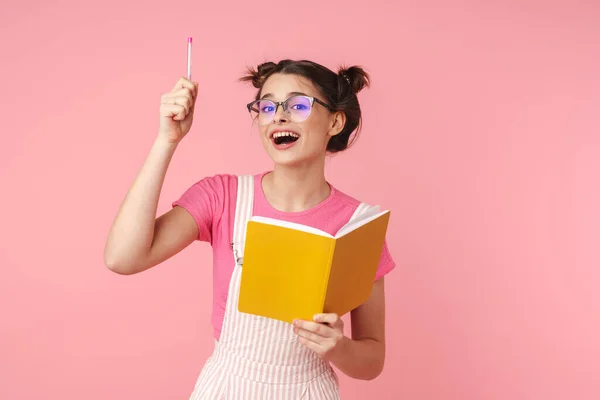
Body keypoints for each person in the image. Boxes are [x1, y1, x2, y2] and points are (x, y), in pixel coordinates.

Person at [104, 59, 396, 399]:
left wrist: (338, 347)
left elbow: (372, 360)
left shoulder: (358, 224)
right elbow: (122, 258)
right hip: (227, 387)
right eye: (267, 106)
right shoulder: (222, 196)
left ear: (335, 121)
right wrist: (166, 140)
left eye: (298, 105)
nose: (278, 116)